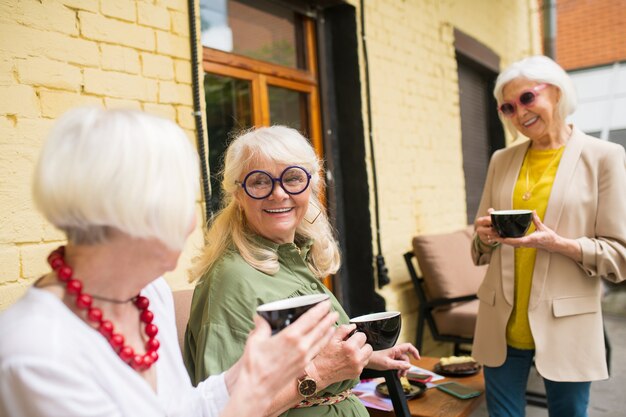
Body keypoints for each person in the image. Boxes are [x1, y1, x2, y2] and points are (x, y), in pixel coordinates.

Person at [0, 107, 340, 417]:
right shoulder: (38, 353)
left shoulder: (148, 294)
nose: (191, 223)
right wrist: (260, 393)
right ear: (123, 211)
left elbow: (183, 408)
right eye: (177, 201)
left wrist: (251, 371)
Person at [184, 125, 419, 416]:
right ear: (238, 194)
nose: (279, 193)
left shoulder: (289, 256)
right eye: (259, 182)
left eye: (293, 178)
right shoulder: (232, 280)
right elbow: (226, 409)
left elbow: (294, 356)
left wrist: (366, 356)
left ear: (311, 185)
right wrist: (321, 373)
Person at [472, 55, 626, 417]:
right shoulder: (501, 160)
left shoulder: (604, 156)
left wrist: (560, 245)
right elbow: (478, 248)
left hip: (567, 322)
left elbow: (619, 255)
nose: (519, 112)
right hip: (501, 321)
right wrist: (485, 236)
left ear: (556, 93)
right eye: (507, 107)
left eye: (527, 98)